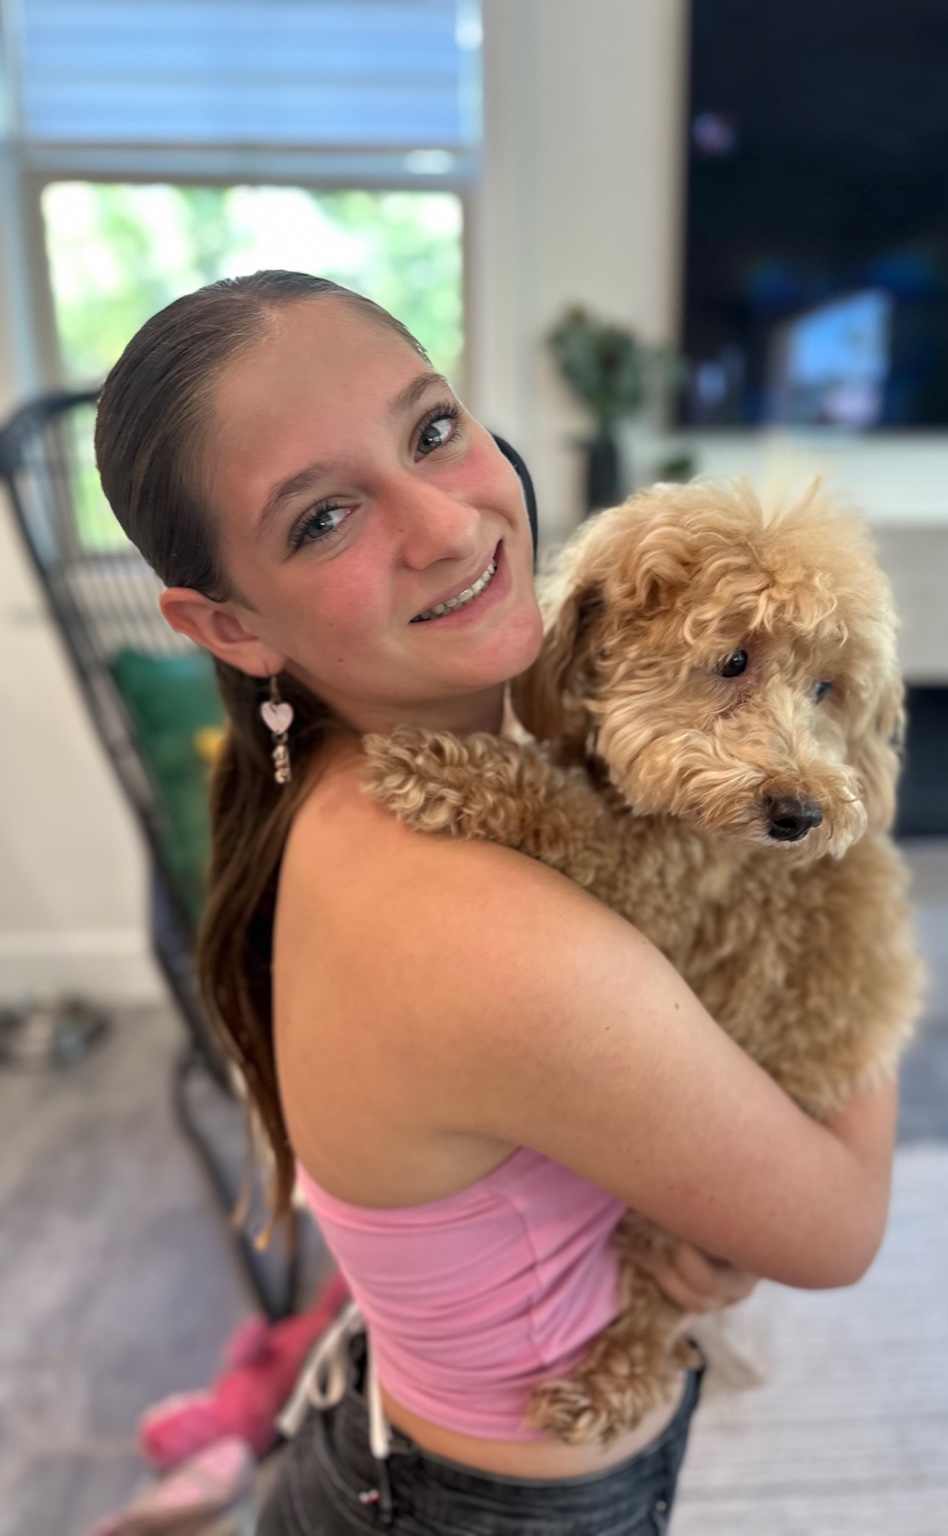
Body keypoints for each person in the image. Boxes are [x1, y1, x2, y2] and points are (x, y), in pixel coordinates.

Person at [94, 271, 898, 1534]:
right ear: (228, 626)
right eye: (321, 520)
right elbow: (838, 1227)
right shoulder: (488, 932)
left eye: (429, 431)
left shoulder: (367, 798)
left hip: (391, 1440)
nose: (447, 527)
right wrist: (850, 860)